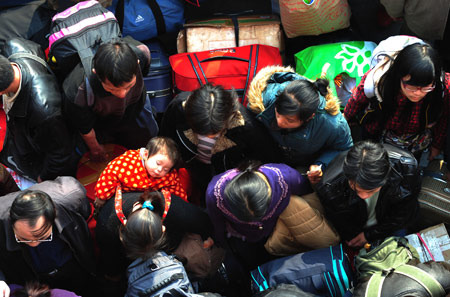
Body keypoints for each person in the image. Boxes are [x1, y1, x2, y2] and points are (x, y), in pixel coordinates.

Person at [160, 83, 281, 201]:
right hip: (193, 168)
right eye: (200, 133)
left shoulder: (246, 126)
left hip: (228, 179)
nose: (207, 137)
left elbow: (269, 159)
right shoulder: (179, 107)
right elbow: (165, 139)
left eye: (214, 133)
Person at [205, 161, 337, 269]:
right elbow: (218, 224)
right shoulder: (214, 195)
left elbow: (306, 193)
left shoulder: (285, 178)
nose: (256, 222)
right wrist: (220, 242)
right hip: (245, 238)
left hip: (277, 229)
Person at [246, 65, 353, 185]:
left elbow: (344, 147)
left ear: (309, 117)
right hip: (272, 154)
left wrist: (320, 164)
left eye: (289, 120)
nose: (280, 122)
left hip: (306, 163)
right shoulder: (264, 100)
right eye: (278, 112)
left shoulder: (332, 123)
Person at [95, 190, 213, 296]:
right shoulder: (108, 226)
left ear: (163, 229)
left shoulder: (174, 209)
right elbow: (112, 271)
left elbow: (204, 222)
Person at [344, 42, 450, 161]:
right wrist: (346, 118)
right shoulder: (379, 80)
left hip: (416, 137)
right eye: (411, 87)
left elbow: (444, 118)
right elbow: (357, 99)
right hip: (379, 130)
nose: (418, 93)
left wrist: (436, 146)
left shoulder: (443, 88)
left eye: (426, 87)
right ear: (399, 76)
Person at [62, 39, 158, 161]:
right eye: (112, 89)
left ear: (137, 63)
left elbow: (144, 73)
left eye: (129, 86)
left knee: (149, 138)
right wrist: (95, 148)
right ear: (96, 73)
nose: (122, 95)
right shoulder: (77, 90)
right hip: (100, 119)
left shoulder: (141, 53)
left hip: (134, 106)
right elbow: (85, 128)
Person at [0, 177, 96, 297]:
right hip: (31, 277)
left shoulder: (71, 196)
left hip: (72, 265)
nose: (33, 244)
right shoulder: (1, 218)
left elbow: (85, 214)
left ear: (53, 216)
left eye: (42, 236)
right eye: (24, 239)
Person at [0, 39, 79, 182]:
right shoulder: (13, 46)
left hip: (38, 152)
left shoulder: (43, 111)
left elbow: (60, 155)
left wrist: (43, 177)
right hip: (22, 132)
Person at [316, 141, 421, 248]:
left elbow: (404, 211)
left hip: (393, 223)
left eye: (371, 190)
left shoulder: (406, 169)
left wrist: (371, 234)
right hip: (358, 229)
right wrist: (360, 237)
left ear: (385, 176)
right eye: (356, 189)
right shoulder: (329, 187)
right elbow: (343, 223)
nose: (363, 196)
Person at [94, 136, 188, 208]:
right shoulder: (127, 162)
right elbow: (110, 175)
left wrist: (182, 205)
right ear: (146, 155)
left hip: (147, 199)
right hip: (122, 195)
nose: (160, 170)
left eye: (165, 169)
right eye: (158, 163)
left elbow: (176, 191)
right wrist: (102, 197)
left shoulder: (169, 175)